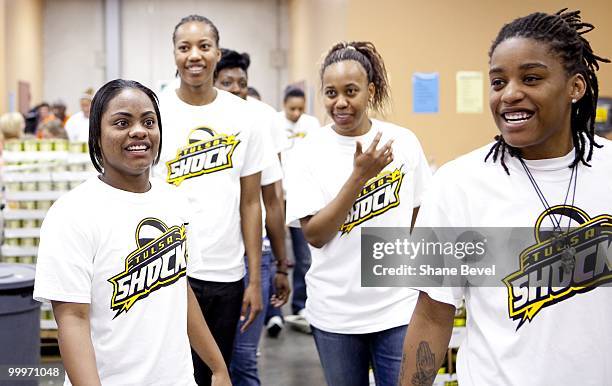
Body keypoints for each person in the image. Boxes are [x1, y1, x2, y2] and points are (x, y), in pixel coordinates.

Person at [400, 9, 612, 386]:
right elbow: (432, 315)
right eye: (498, 82)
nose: (510, 94)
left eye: (531, 78)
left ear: (575, 88)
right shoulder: (457, 184)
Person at [32, 79, 230, 386]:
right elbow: (72, 319)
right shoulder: (71, 213)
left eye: (148, 121)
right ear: (96, 136)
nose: (139, 131)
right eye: (122, 122)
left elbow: (180, 289)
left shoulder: (174, 201)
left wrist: (217, 366)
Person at [285, 41, 431, 386]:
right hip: (335, 312)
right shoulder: (308, 152)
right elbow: (315, 235)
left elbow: (420, 217)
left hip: (396, 306)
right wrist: (359, 177)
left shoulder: (403, 141)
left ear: (371, 90)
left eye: (351, 91)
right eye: (331, 93)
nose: (340, 103)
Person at [155, 15, 271, 386]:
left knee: (214, 374)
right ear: (173, 54)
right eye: (185, 47)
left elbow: (252, 203)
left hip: (225, 273)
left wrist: (255, 279)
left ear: (217, 53)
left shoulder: (244, 116)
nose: (194, 55)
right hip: (168, 271)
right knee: (170, 372)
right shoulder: (156, 112)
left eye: (204, 46)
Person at [214, 47, 291, 386]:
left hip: (251, 257)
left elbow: (273, 201)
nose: (235, 89)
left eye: (241, 83)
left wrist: (280, 265)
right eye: (226, 82)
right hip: (204, 262)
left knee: (243, 360)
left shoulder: (258, 125)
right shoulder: (192, 129)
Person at [274, 86, 320, 327]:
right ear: (283, 104)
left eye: (300, 109)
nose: (296, 113)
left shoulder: (311, 125)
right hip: (276, 197)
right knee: (273, 253)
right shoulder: (274, 123)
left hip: (302, 197)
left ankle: (301, 304)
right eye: (292, 108)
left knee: (304, 255)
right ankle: (274, 312)